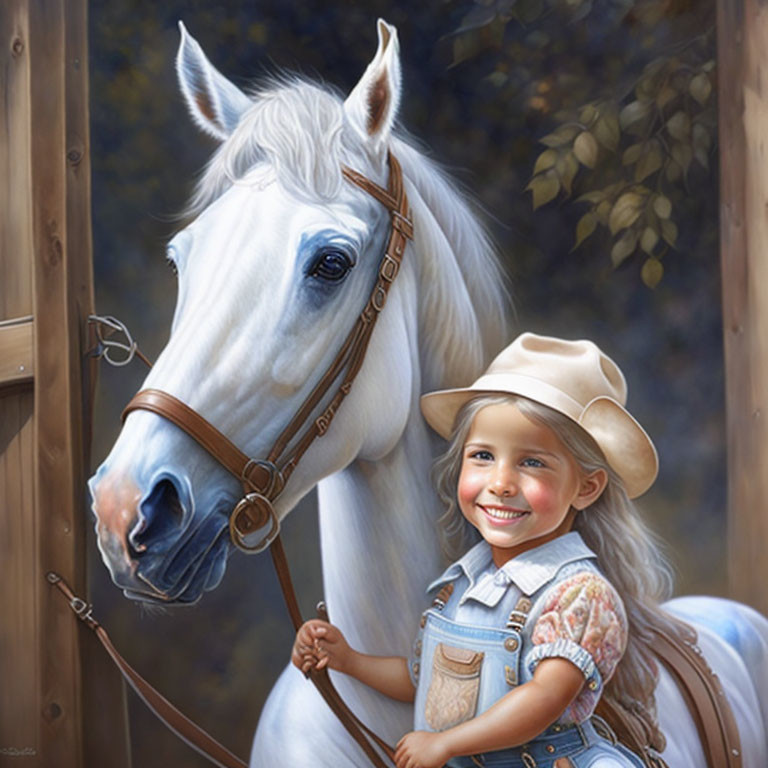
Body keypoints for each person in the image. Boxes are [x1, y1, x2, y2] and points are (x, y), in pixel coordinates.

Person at [293, 332, 687, 768]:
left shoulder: (580, 595)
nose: (500, 483)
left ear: (587, 487)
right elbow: (428, 681)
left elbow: (543, 698)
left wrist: (446, 744)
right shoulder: (465, 582)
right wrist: (349, 660)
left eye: (532, 462)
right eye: (482, 456)